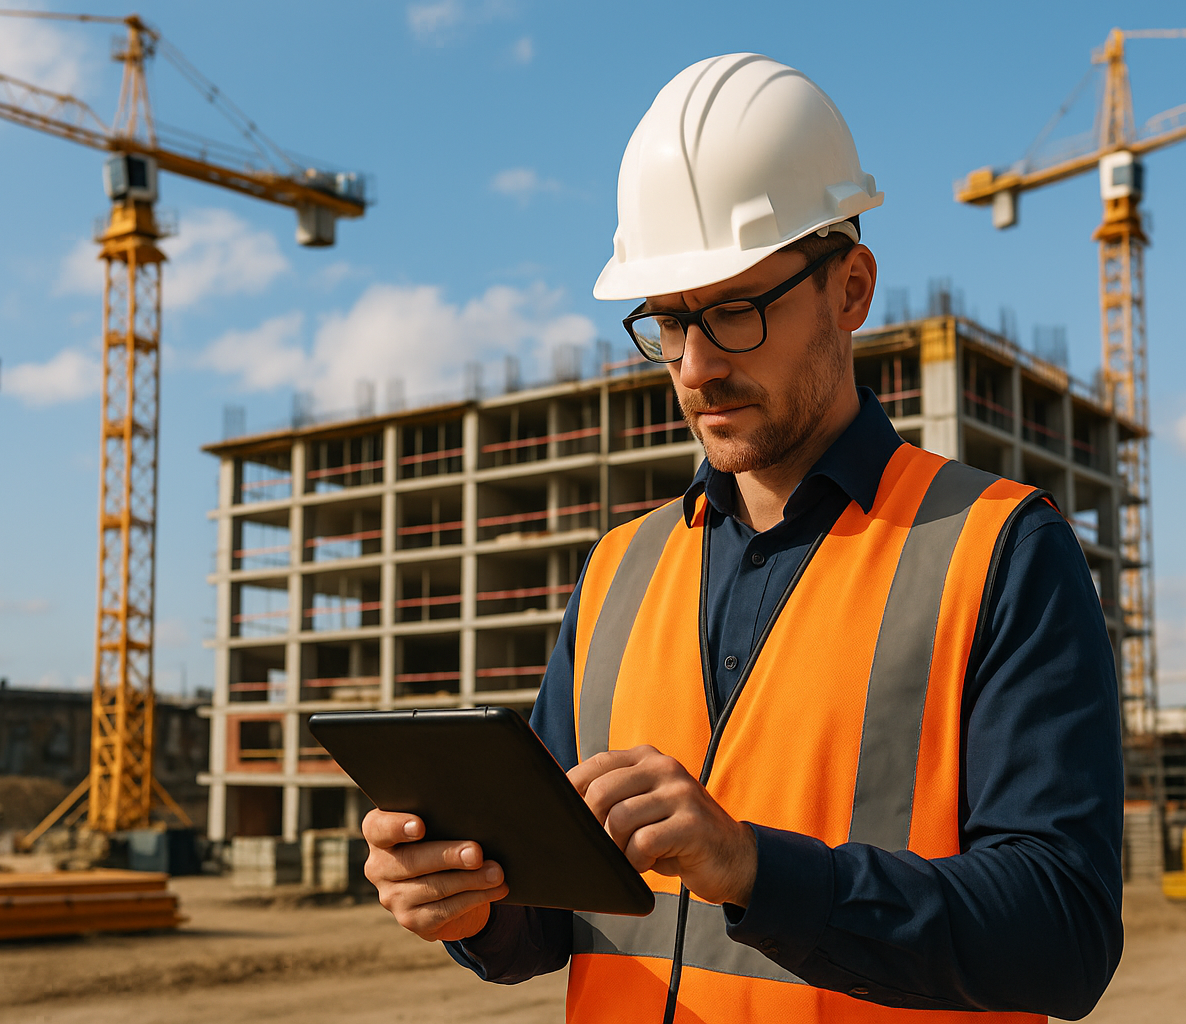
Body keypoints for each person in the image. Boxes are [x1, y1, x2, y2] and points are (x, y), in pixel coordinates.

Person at [362, 53, 1124, 1023]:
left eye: (735, 310)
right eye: (670, 323)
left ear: (851, 291)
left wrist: (757, 868)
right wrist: (465, 897)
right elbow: (555, 917)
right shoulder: (616, 573)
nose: (697, 365)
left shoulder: (998, 552)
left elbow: (1064, 936)